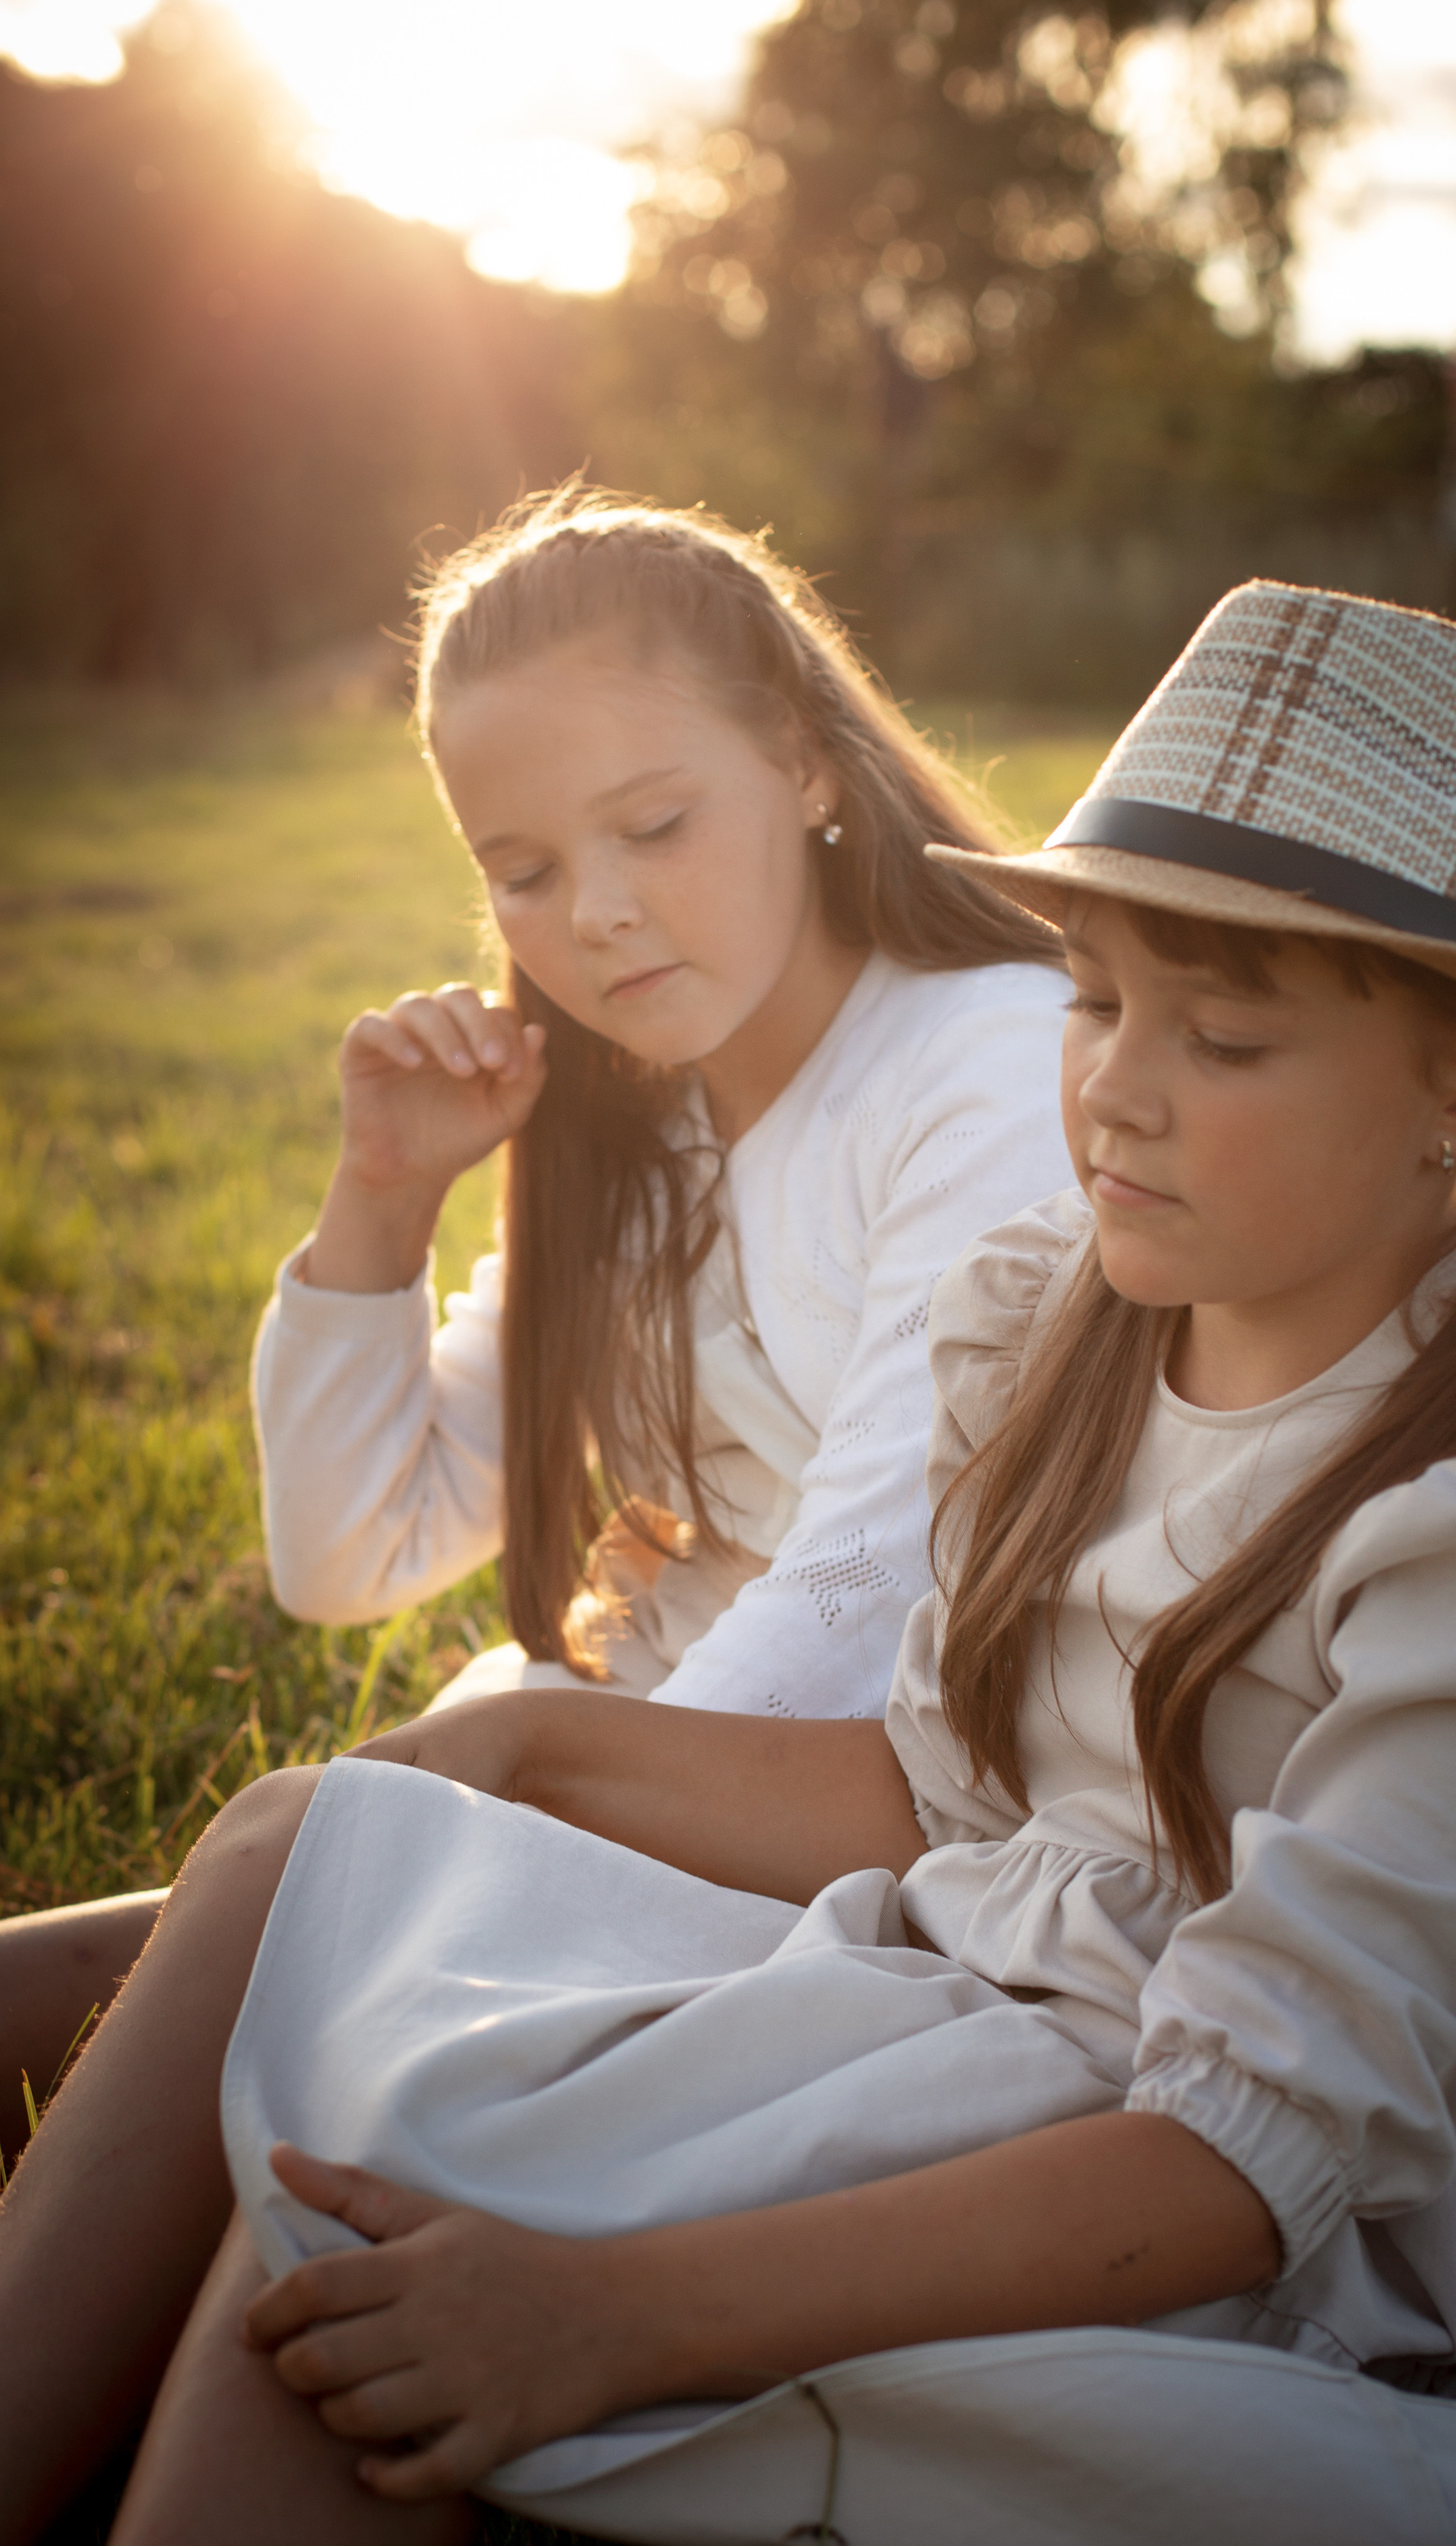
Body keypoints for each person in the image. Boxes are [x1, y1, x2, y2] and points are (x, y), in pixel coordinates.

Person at [6, 584, 1456, 2546]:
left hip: (1269, 2195)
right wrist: (521, 1756)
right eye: (1095, 997)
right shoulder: (1071, 1321)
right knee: (317, 1907)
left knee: (394, 2234)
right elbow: (939, 1781)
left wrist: (610, 2314)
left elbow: (1248, 2150)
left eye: (1226, 1035)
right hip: (985, 1984)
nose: (1117, 1090)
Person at [0, 485, 1071, 2117]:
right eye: (521, 868)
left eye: (652, 827)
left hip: (887, 1820)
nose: (595, 914)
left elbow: (863, 1607)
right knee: (185, 1943)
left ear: (799, 758)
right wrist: (384, 1192)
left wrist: (504, 1842)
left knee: (288, 1930)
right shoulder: (631, 1122)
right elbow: (348, 1554)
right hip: (649, 1770)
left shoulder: (984, 1058)